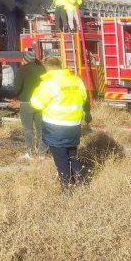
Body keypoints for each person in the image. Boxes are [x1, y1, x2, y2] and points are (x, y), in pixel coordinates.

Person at [30, 56, 91, 189]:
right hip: (74, 126)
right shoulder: (76, 80)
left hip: (55, 128)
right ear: (60, 65)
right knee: (72, 156)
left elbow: (36, 104)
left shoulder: (49, 83)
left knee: (61, 159)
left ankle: (67, 188)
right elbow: (84, 98)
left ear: (47, 67)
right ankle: (82, 183)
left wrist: (36, 89)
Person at [12, 50, 47, 159]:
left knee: (28, 129)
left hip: (27, 103)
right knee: (40, 129)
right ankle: (42, 154)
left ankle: (30, 153)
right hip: (40, 103)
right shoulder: (42, 69)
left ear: (25, 60)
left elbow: (17, 88)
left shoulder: (21, 70)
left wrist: (15, 96)